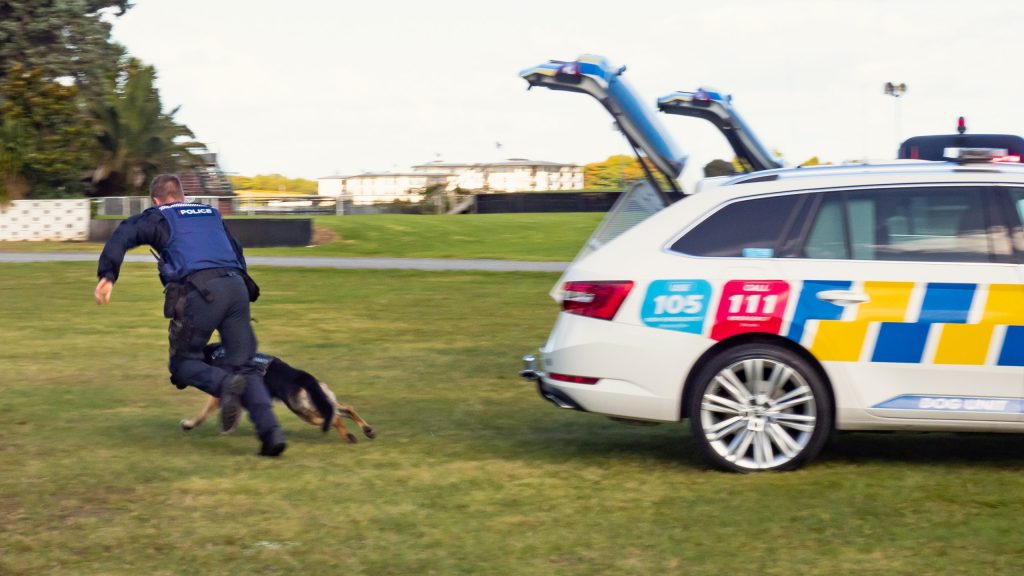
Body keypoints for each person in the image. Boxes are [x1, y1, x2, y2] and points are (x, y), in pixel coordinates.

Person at [94, 174, 286, 456]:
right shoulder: (211, 213)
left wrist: (108, 275)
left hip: (202, 291)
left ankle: (224, 385)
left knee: (183, 364)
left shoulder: (160, 216)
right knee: (244, 366)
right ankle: (272, 435)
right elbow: (236, 250)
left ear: (156, 200)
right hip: (236, 287)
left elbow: (124, 232)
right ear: (182, 195)